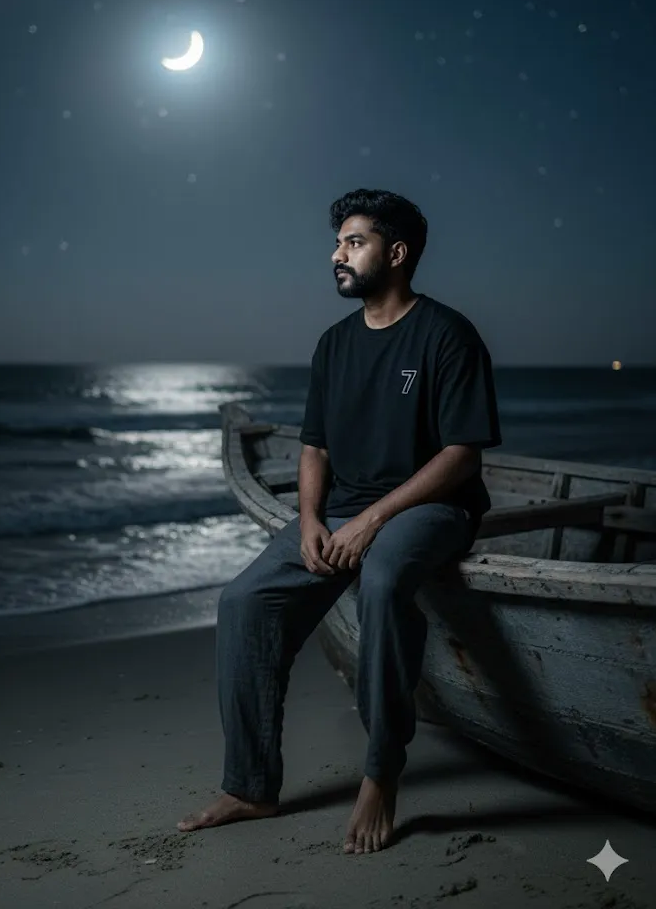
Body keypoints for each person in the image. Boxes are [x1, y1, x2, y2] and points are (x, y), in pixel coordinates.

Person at [178, 188, 502, 853]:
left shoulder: (446, 334)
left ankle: (381, 770)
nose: (337, 255)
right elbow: (314, 446)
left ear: (397, 252)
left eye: (353, 242)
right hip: (344, 507)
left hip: (429, 507)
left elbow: (461, 456)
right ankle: (250, 786)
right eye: (337, 243)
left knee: (381, 581)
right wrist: (308, 522)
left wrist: (373, 521)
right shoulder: (333, 344)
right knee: (243, 601)